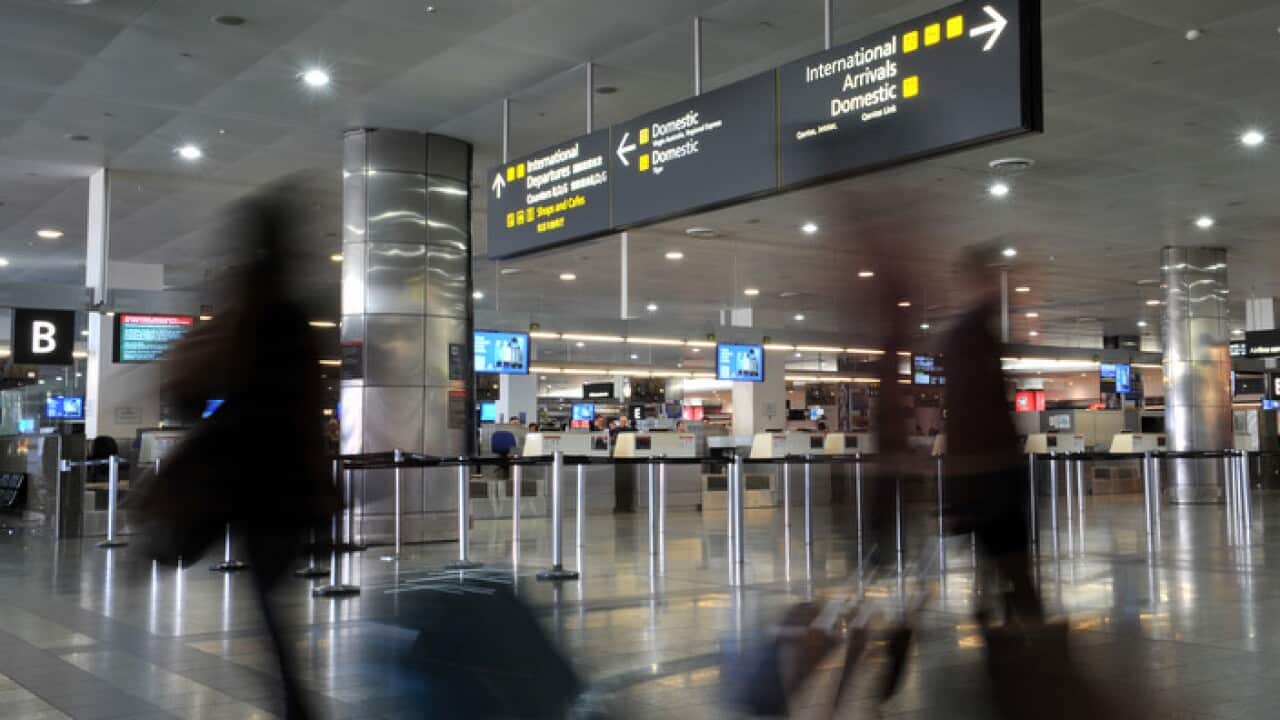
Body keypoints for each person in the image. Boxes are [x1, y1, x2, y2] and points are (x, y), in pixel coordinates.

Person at [145, 183, 342, 719]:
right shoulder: (295, 315)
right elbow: (303, 418)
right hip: (288, 488)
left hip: (251, 481)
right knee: (272, 603)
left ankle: (296, 703)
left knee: (269, 604)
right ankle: (296, 703)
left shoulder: (249, 310)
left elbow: (197, 394)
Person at [943, 245, 1043, 623]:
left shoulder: (977, 333)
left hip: (987, 478)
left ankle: (1006, 630)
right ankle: (1030, 647)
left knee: (1005, 568)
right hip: (990, 479)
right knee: (1014, 568)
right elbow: (973, 415)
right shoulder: (970, 336)